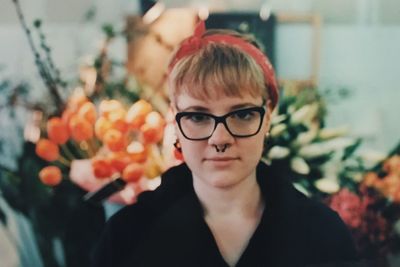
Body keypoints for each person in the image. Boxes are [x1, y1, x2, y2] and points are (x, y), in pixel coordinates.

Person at [91, 20, 358, 267]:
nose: (220, 139)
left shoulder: (323, 234)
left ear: (267, 117)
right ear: (174, 120)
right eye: (198, 116)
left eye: (242, 114)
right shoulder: (127, 236)